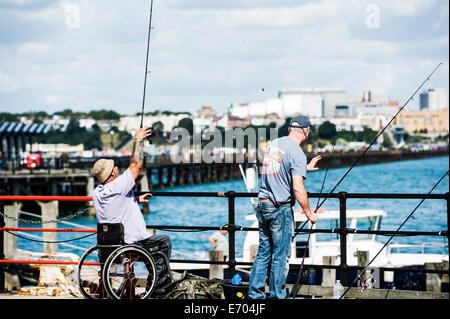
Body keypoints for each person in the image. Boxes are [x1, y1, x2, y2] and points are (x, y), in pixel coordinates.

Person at [248, 115, 321, 299]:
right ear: (306, 131)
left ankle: (255, 295)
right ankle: (276, 296)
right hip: (280, 208)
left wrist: (303, 167)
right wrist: (308, 212)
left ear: (290, 129)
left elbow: (276, 172)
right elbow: (297, 187)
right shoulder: (297, 153)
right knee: (280, 256)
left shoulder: (274, 145)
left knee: (264, 252)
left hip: (263, 204)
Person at [92, 126, 172, 292]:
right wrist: (138, 140)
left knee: (156, 244)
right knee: (163, 242)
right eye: (114, 168)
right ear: (112, 174)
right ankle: (158, 286)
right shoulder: (119, 186)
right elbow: (136, 166)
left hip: (108, 245)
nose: (117, 168)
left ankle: (152, 283)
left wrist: (135, 200)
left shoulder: (98, 192)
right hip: (129, 243)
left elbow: (115, 206)